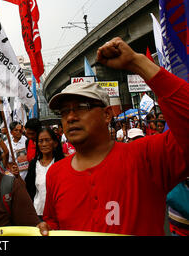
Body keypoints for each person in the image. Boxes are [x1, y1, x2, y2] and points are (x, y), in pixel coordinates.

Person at [38, 37, 189, 236]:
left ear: (107, 114)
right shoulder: (56, 173)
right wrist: (47, 229)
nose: (71, 117)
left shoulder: (148, 155)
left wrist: (138, 63)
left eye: (82, 108)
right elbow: (53, 222)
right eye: (64, 112)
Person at [25, 127, 64, 218]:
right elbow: (29, 189)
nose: (44, 144)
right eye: (41, 141)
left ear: (55, 143)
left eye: (47, 140)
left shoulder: (61, 163)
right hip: (38, 213)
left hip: (58, 213)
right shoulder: (34, 164)